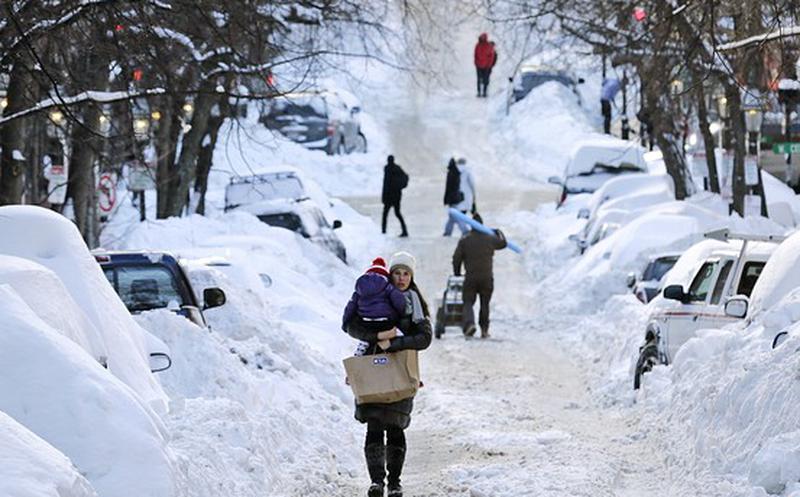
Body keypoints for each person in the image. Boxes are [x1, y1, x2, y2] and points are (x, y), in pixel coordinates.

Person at [344, 251, 432, 497]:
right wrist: (377, 336)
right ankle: (376, 482)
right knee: (373, 426)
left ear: (412, 277)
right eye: (397, 273)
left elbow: (424, 338)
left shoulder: (414, 302)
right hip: (371, 368)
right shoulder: (373, 296)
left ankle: (394, 483)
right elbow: (351, 325)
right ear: (389, 275)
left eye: (406, 274)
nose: (401, 278)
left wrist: (394, 344)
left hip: (401, 370)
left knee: (395, 427)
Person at [452, 213, 507, 338]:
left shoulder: (465, 240)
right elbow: (503, 243)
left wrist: (457, 272)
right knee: (485, 303)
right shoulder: (490, 239)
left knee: (467, 302)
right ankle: (484, 330)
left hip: (471, 277)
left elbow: (456, 258)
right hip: (487, 278)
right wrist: (498, 232)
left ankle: (469, 324)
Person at [342, 257, 408, 355]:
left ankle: (364, 344)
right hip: (385, 322)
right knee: (397, 333)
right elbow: (399, 301)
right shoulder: (388, 286)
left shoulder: (360, 289)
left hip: (366, 322)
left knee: (366, 335)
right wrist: (401, 314)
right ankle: (393, 350)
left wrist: (345, 323)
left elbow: (350, 307)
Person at [381, 155, 409, 237]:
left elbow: (385, 184)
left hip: (389, 196)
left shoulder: (387, 169)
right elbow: (406, 177)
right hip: (397, 195)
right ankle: (404, 230)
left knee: (385, 214)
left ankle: (383, 231)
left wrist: (384, 197)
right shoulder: (397, 168)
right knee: (397, 213)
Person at [442, 157, 468, 236]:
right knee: (453, 216)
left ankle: (464, 231)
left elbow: (448, 188)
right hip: (455, 198)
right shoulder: (456, 172)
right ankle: (449, 232)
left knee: (454, 216)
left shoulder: (451, 173)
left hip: (452, 198)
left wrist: (446, 199)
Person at [474, 33, 496, 97]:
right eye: (481, 37)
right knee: (479, 79)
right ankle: (479, 92)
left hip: (486, 66)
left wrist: (489, 64)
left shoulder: (488, 46)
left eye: (482, 37)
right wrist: (476, 62)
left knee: (485, 79)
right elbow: (475, 54)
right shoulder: (477, 45)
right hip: (478, 65)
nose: (481, 38)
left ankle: (484, 92)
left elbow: (491, 56)